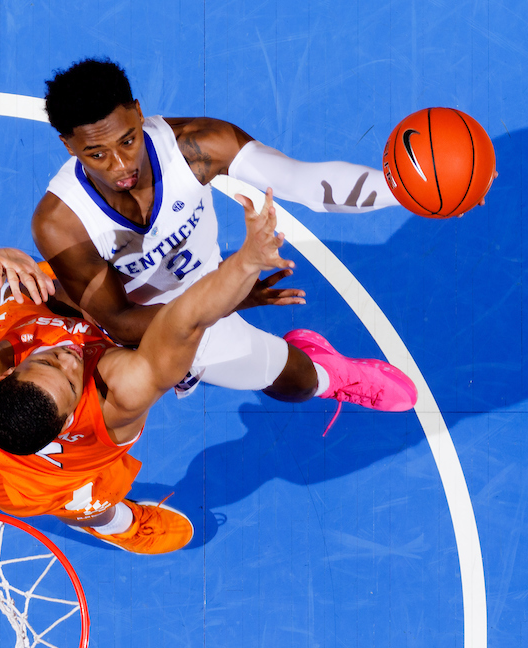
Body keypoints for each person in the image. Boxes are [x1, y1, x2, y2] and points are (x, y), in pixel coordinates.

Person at [30, 58, 417, 432]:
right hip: (142, 323)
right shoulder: (61, 223)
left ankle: (331, 373)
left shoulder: (196, 146)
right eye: (96, 154)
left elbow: (302, 182)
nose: (119, 166)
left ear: (138, 111)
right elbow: (121, 323)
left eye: (128, 141)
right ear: (68, 145)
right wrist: (226, 298)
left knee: (299, 383)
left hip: (205, 282)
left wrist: (406, 190)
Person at [0, 188, 292, 554]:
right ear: (65, 424)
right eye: (72, 379)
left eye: (47, 361)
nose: (70, 356)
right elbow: (184, 321)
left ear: (5, 376)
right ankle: (121, 528)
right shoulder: (120, 394)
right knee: (85, 505)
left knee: (31, 287)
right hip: (32, 487)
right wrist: (245, 266)